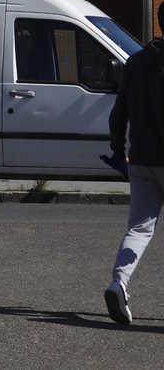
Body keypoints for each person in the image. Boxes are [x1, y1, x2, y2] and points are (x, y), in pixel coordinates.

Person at [106, 32, 164, 325]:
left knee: (139, 228)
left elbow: (119, 112)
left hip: (141, 157)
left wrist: (119, 148)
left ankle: (119, 282)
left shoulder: (136, 61)